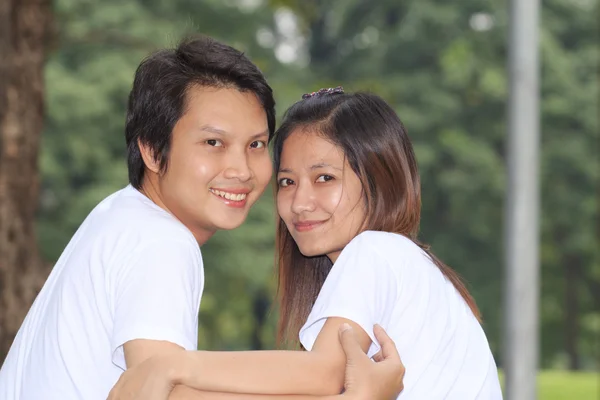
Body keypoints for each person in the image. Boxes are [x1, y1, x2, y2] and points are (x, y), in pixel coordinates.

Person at [0, 37, 404, 400]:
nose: (241, 169)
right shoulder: (160, 240)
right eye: (214, 143)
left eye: (256, 144)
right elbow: (164, 392)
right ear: (152, 151)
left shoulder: (118, 217)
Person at [106, 89, 503, 399]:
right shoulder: (407, 267)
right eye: (287, 182)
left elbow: (325, 375)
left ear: (381, 178)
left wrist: (173, 368)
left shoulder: (379, 251)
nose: (299, 203)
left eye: (325, 178)